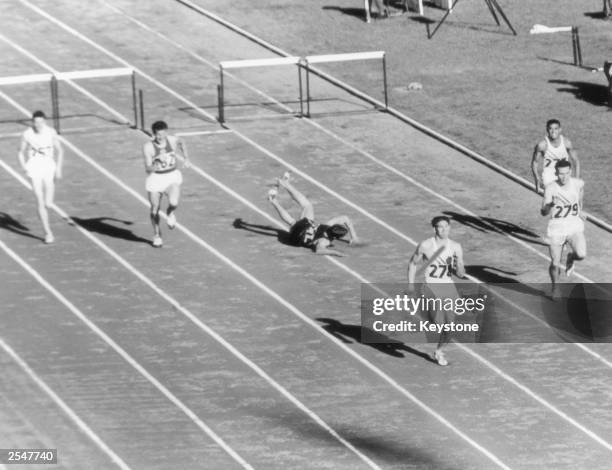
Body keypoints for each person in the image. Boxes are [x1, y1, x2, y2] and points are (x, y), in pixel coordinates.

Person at [407, 216, 465, 366]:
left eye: (446, 226)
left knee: (450, 327)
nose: (444, 230)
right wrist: (411, 285)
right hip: (430, 286)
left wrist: (458, 265)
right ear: (434, 229)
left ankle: (438, 351)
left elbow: (460, 274)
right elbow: (413, 264)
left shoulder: (456, 247)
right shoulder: (425, 245)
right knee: (437, 321)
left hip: (448, 286)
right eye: (440, 227)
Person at [267, 172, 359, 256]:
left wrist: (353, 236)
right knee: (292, 222)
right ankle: (274, 201)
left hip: (304, 229)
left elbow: (345, 218)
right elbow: (319, 250)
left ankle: (286, 185)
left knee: (307, 206)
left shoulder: (328, 225)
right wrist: (336, 252)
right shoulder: (325, 241)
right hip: (295, 239)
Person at [541, 160, 586, 299]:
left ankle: (571, 257)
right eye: (561, 174)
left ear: (570, 172)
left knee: (581, 254)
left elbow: (580, 196)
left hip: (573, 226)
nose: (564, 177)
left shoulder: (578, 184)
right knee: (555, 264)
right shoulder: (551, 188)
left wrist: (580, 210)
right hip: (556, 228)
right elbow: (543, 212)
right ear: (556, 173)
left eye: (566, 173)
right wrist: (550, 204)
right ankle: (555, 288)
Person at [17, 110, 64, 244]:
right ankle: (47, 232)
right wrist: (24, 166)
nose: (38, 125)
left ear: (44, 122)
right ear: (32, 122)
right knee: (39, 198)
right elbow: (20, 152)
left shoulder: (51, 132)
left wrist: (59, 168)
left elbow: (60, 150)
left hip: (48, 165)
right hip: (34, 167)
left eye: (41, 122)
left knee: (48, 202)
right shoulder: (27, 134)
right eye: (36, 122)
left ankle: (48, 202)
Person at [142, 120, 190, 247]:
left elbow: (182, 142)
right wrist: (156, 163)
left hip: (171, 176)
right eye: (158, 135)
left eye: (163, 134)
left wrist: (186, 158)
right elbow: (148, 169)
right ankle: (157, 235)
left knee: (174, 202)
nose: (161, 137)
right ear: (154, 134)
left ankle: (170, 212)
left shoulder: (172, 140)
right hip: (156, 179)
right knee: (154, 210)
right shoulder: (148, 147)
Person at [531, 119, 579, 194]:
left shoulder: (567, 143)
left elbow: (576, 161)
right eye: (550, 128)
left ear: (560, 130)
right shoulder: (542, 145)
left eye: (556, 128)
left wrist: (577, 180)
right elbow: (535, 162)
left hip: (563, 175)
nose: (553, 131)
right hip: (548, 177)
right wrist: (537, 178)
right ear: (547, 130)